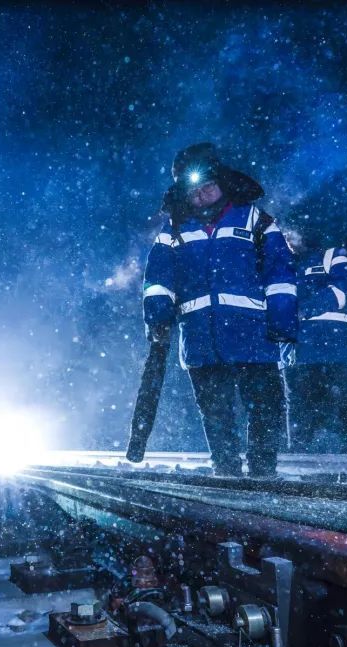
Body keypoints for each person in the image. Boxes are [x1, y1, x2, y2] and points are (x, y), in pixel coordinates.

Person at [142, 142, 298, 477]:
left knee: (265, 404)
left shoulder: (256, 220)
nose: (201, 196)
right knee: (215, 411)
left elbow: (280, 274)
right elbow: (158, 279)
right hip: (201, 337)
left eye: (208, 187)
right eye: (193, 192)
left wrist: (283, 321)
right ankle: (226, 471)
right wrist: (157, 316)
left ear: (222, 183)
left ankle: (263, 470)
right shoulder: (173, 231)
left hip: (254, 333)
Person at [285, 233, 347, 452]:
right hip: (298, 347)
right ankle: (300, 451)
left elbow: (340, 293)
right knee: (299, 399)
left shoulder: (333, 256)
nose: (287, 240)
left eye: (290, 234)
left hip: (331, 343)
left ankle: (343, 449)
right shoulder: (283, 264)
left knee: (333, 395)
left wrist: (303, 309)